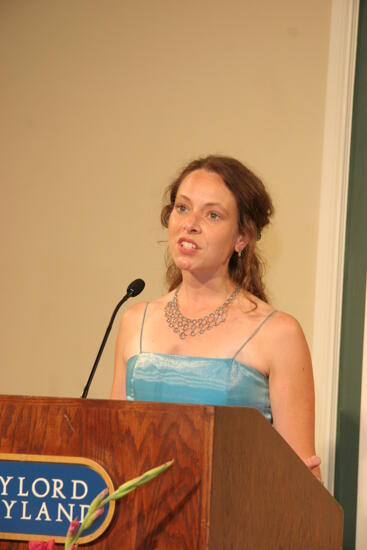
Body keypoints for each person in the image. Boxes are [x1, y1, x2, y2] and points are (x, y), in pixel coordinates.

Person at [110, 155, 321, 478]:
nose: (190, 223)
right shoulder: (134, 321)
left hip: (236, 523)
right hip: (142, 521)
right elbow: (113, 446)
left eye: (212, 214)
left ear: (241, 237)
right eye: (182, 208)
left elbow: (301, 485)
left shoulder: (278, 333)